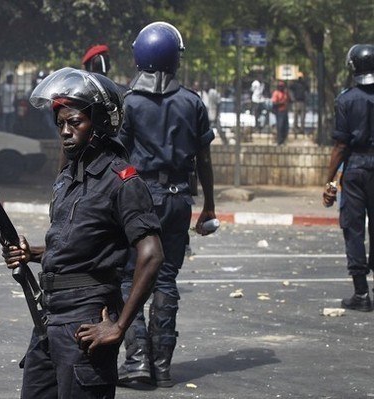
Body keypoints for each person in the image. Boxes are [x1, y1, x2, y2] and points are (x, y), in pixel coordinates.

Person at [1, 67, 164, 398]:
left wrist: (119, 326)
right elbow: (78, 244)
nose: (65, 131)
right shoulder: (69, 178)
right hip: (49, 319)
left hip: (86, 321)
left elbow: (152, 255)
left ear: (100, 124)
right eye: (60, 124)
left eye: (74, 122)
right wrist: (32, 253)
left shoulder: (123, 182)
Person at [117, 21, 218, 388]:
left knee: (129, 278)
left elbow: (118, 156)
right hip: (179, 200)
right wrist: (209, 205)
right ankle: (162, 366)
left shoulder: (128, 103)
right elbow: (204, 161)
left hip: (139, 199)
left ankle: (138, 361)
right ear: (174, 58)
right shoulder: (192, 102)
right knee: (166, 279)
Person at [322, 43, 374, 312]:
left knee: (353, 228)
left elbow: (341, 145)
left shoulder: (346, 99)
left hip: (355, 169)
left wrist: (329, 179)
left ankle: (361, 294)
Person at [271, 80, 290, 145]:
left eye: (283, 86)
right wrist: (282, 103)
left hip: (285, 111)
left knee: (285, 126)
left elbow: (290, 100)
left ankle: (284, 140)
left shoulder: (285, 93)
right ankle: (279, 140)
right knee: (280, 126)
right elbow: (274, 103)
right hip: (279, 111)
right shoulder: (276, 93)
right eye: (281, 86)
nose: (282, 87)